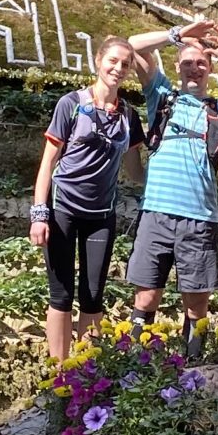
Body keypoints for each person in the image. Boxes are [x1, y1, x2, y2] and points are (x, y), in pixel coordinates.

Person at [128, 21, 218, 342]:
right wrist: (175, 36)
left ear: (210, 69)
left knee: (196, 305)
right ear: (178, 67)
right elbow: (132, 45)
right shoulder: (162, 96)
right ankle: (134, 371)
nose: (194, 69)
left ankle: (192, 374)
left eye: (201, 64)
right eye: (187, 64)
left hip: (199, 220)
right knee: (146, 298)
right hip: (156, 214)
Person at [29, 33, 158, 361]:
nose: (118, 68)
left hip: (101, 216)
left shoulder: (128, 116)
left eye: (125, 64)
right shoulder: (71, 105)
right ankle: (58, 374)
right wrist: (39, 214)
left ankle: (86, 375)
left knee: (92, 295)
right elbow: (48, 163)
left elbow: (135, 172)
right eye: (112, 61)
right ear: (98, 62)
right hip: (63, 210)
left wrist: (163, 159)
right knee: (61, 295)